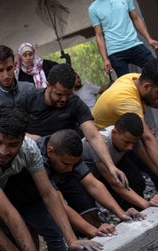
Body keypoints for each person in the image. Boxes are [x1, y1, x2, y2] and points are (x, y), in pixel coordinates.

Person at [0, 105, 104, 251]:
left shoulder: (29, 149)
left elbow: (48, 193)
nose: (3, 152)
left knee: (51, 236)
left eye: (12, 145)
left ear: (22, 139)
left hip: (1, 197)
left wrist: (72, 239)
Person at [91, 59, 158, 195]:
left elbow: (150, 99)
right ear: (147, 87)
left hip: (124, 135)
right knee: (136, 181)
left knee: (157, 169)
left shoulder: (135, 79)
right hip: (104, 147)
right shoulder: (125, 99)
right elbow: (148, 137)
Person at [18, 63, 134, 193]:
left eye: (68, 94)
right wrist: (32, 138)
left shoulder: (75, 103)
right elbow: (13, 130)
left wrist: (111, 166)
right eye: (59, 94)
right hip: (37, 161)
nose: (64, 99)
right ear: (48, 85)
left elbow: (93, 136)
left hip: (68, 163)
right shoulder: (28, 99)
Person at [37, 129, 145, 237]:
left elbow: (93, 184)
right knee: (53, 233)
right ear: (50, 152)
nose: (70, 169)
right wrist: (93, 231)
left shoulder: (68, 154)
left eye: (73, 165)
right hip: (31, 194)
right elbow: (58, 203)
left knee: (89, 212)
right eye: (66, 163)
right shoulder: (39, 160)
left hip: (61, 176)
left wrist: (121, 213)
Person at [82, 112, 158, 211]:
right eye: (126, 142)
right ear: (114, 132)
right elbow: (114, 182)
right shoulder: (100, 145)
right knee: (116, 198)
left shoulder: (127, 138)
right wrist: (146, 204)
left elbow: (150, 162)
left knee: (137, 180)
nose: (130, 147)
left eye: (133, 143)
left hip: (115, 162)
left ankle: (140, 209)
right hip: (91, 175)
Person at [88, 0, 158, 79]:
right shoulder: (93, 8)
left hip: (134, 44)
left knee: (157, 70)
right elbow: (99, 35)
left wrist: (149, 39)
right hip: (115, 52)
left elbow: (136, 18)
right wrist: (105, 59)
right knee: (126, 84)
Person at [0, 45, 36, 122]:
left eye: (9, 69)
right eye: (0, 70)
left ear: (15, 65)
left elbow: (38, 117)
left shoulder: (29, 88)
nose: (6, 75)